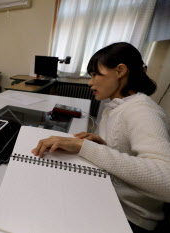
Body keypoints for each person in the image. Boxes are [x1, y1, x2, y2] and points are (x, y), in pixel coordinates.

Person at [31, 42, 170, 233]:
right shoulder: (113, 106)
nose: (90, 82)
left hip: (130, 218)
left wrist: (85, 147)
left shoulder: (142, 111)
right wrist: (104, 145)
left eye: (96, 74)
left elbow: (166, 181)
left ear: (120, 71)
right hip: (110, 198)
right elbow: (127, 155)